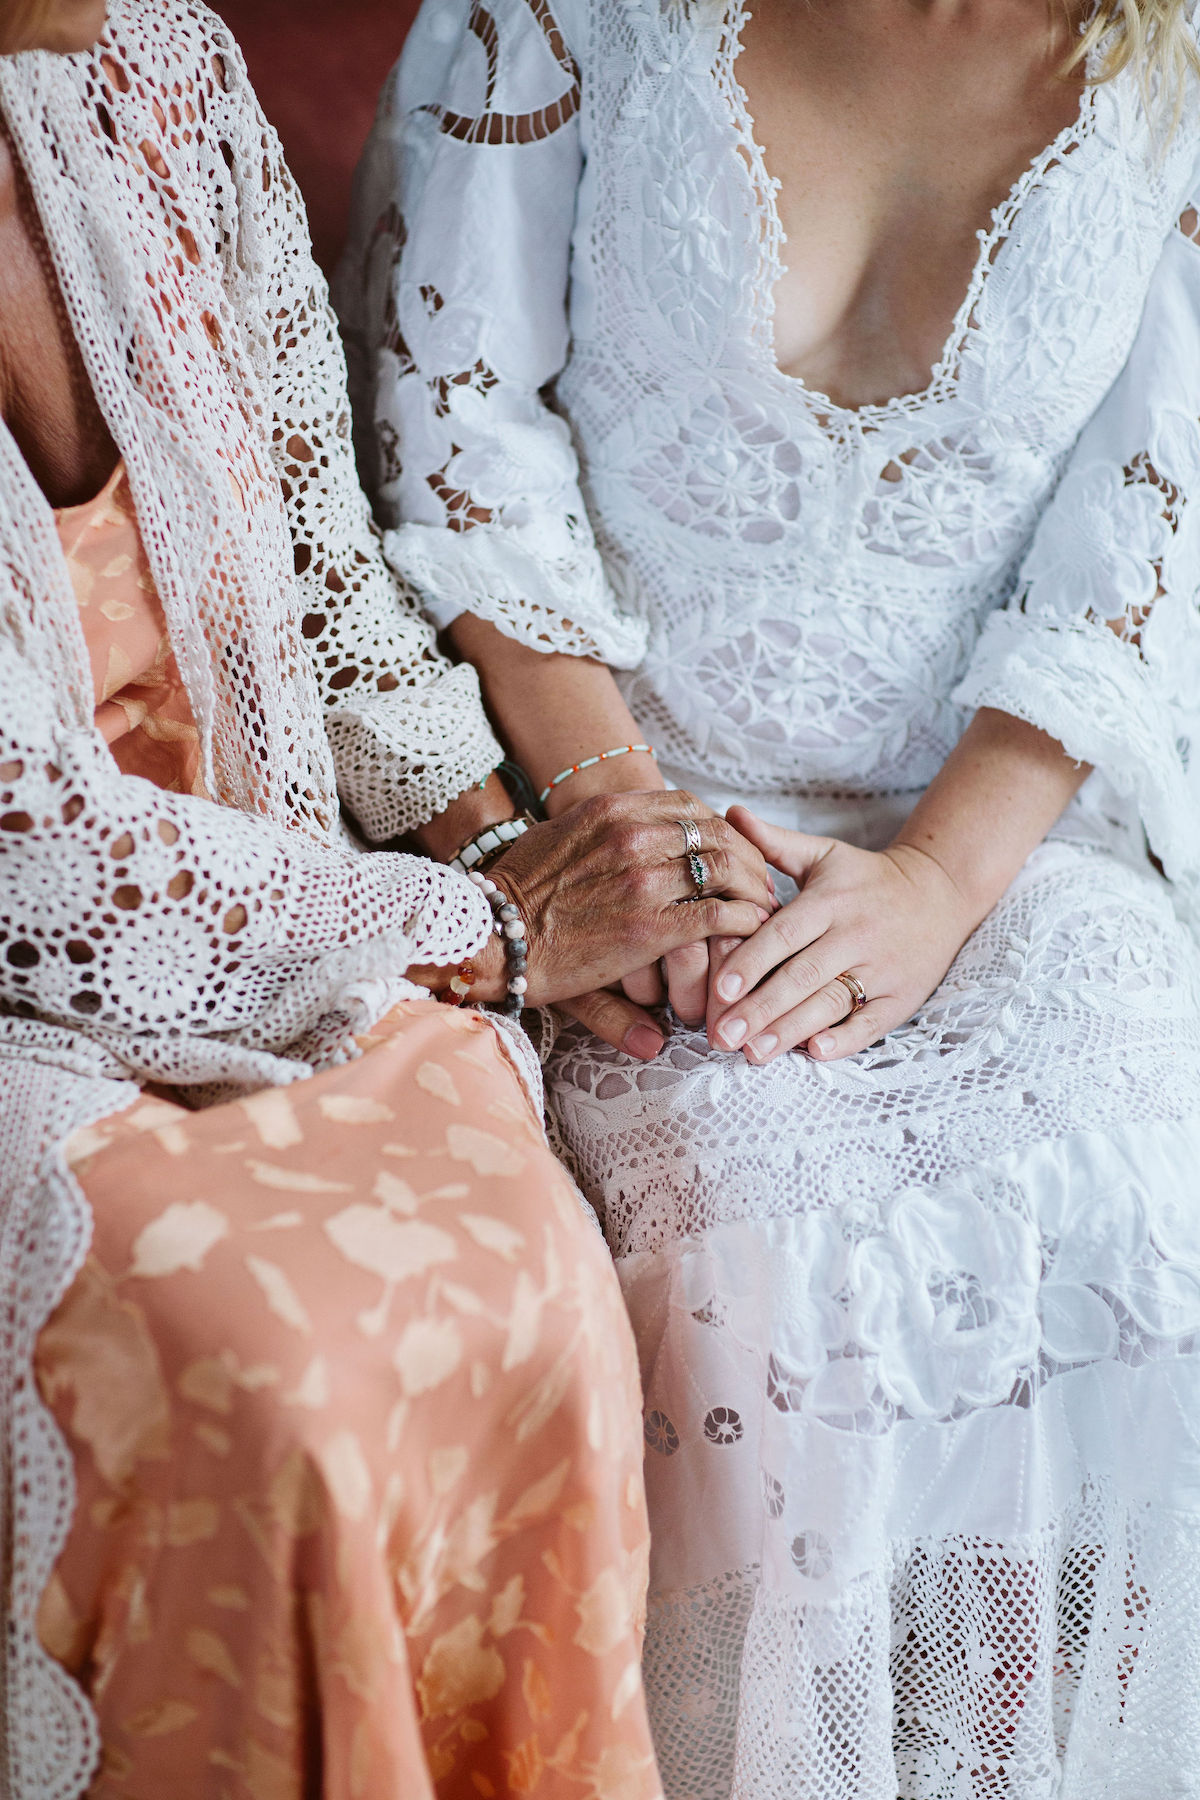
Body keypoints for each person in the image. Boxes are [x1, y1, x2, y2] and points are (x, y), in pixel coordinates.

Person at [340, 1, 1200, 1794]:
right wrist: (619, 824)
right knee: (750, 1264)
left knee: (1140, 1188)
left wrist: (935, 883)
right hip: (602, 803)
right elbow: (457, 415)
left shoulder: (1175, 70)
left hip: (996, 828)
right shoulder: (562, 13)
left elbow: (1143, 531)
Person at [0, 1, 776, 1794]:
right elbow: (31, 844)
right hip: (43, 1001)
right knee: (280, 1393)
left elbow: (321, 565)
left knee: (541, 1300)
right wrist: (489, 935)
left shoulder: (162, 67)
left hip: (317, 911)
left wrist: (510, 852)